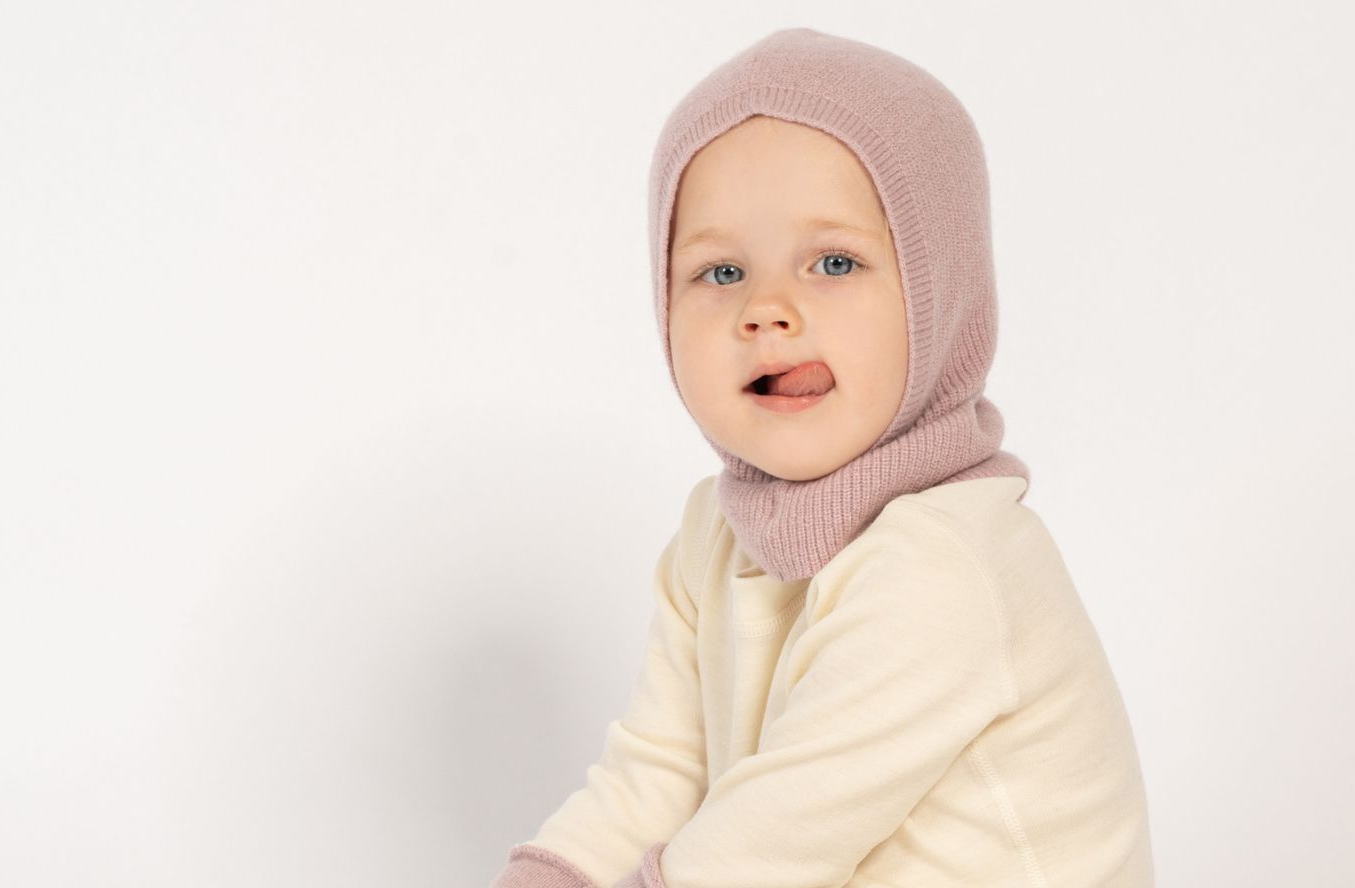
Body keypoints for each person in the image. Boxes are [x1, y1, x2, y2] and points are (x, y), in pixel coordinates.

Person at [491, 27, 1154, 888]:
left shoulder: (946, 563)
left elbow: (772, 840)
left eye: (834, 262)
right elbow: (659, 774)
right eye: (720, 273)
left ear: (941, 294)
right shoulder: (714, 534)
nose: (767, 309)